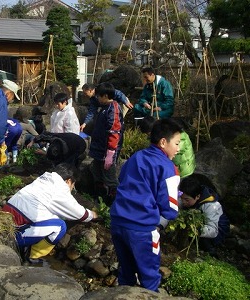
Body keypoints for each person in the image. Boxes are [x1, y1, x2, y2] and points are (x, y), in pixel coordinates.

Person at [110, 118, 182, 292]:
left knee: (126, 271)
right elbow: (171, 208)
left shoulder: (137, 156)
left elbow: (122, 180)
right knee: (149, 275)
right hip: (142, 228)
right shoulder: (167, 167)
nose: (178, 149)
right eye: (177, 143)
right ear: (163, 142)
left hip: (118, 222)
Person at [2, 163, 98, 263]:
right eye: (73, 186)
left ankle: (24, 245)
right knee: (60, 226)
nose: (72, 189)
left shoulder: (43, 179)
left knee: (52, 217)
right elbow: (81, 214)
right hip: (13, 232)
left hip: (7, 216)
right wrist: (94, 215)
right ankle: (30, 256)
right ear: (69, 181)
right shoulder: (60, 188)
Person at [88, 82, 122, 204]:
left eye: (99, 96)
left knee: (110, 176)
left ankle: (115, 202)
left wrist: (111, 152)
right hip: (99, 148)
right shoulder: (104, 108)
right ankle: (100, 197)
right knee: (96, 171)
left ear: (106, 96)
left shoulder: (114, 109)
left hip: (107, 151)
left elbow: (114, 132)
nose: (97, 98)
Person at [179, 175, 230, 255]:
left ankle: (210, 251)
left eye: (186, 200)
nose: (183, 202)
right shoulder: (187, 196)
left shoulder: (211, 206)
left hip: (217, 230)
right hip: (200, 224)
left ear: (197, 196)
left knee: (203, 240)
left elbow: (213, 231)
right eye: (181, 198)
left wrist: (196, 229)